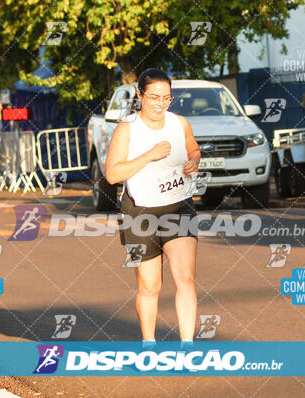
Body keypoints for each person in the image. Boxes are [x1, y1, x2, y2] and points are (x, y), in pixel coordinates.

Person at [105, 68, 201, 349]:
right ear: (140, 96)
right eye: (154, 97)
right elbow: (112, 174)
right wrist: (149, 155)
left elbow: (193, 149)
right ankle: (149, 344)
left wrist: (194, 161)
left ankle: (187, 346)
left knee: (185, 277)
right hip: (139, 213)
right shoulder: (127, 129)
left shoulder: (179, 124)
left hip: (178, 207)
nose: (160, 104)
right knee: (150, 286)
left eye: (166, 98)